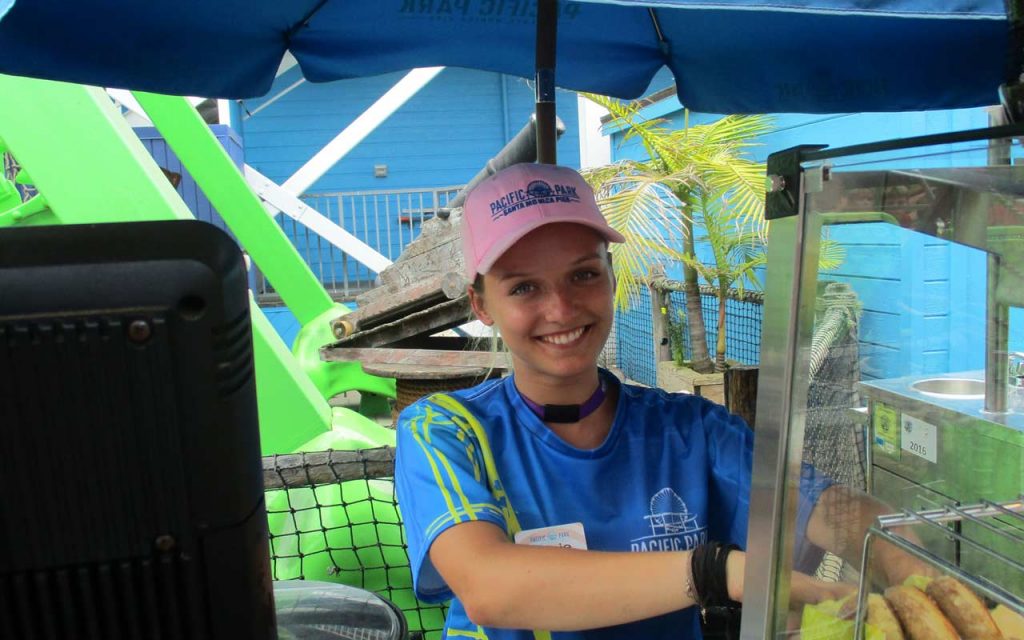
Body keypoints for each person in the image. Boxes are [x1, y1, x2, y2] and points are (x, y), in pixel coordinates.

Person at [394, 163, 913, 639]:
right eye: (525, 287)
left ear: (611, 275)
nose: (561, 308)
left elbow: (823, 507)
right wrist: (716, 571)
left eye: (583, 274)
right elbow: (491, 588)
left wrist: (905, 555)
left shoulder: (693, 430)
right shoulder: (445, 431)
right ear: (481, 304)